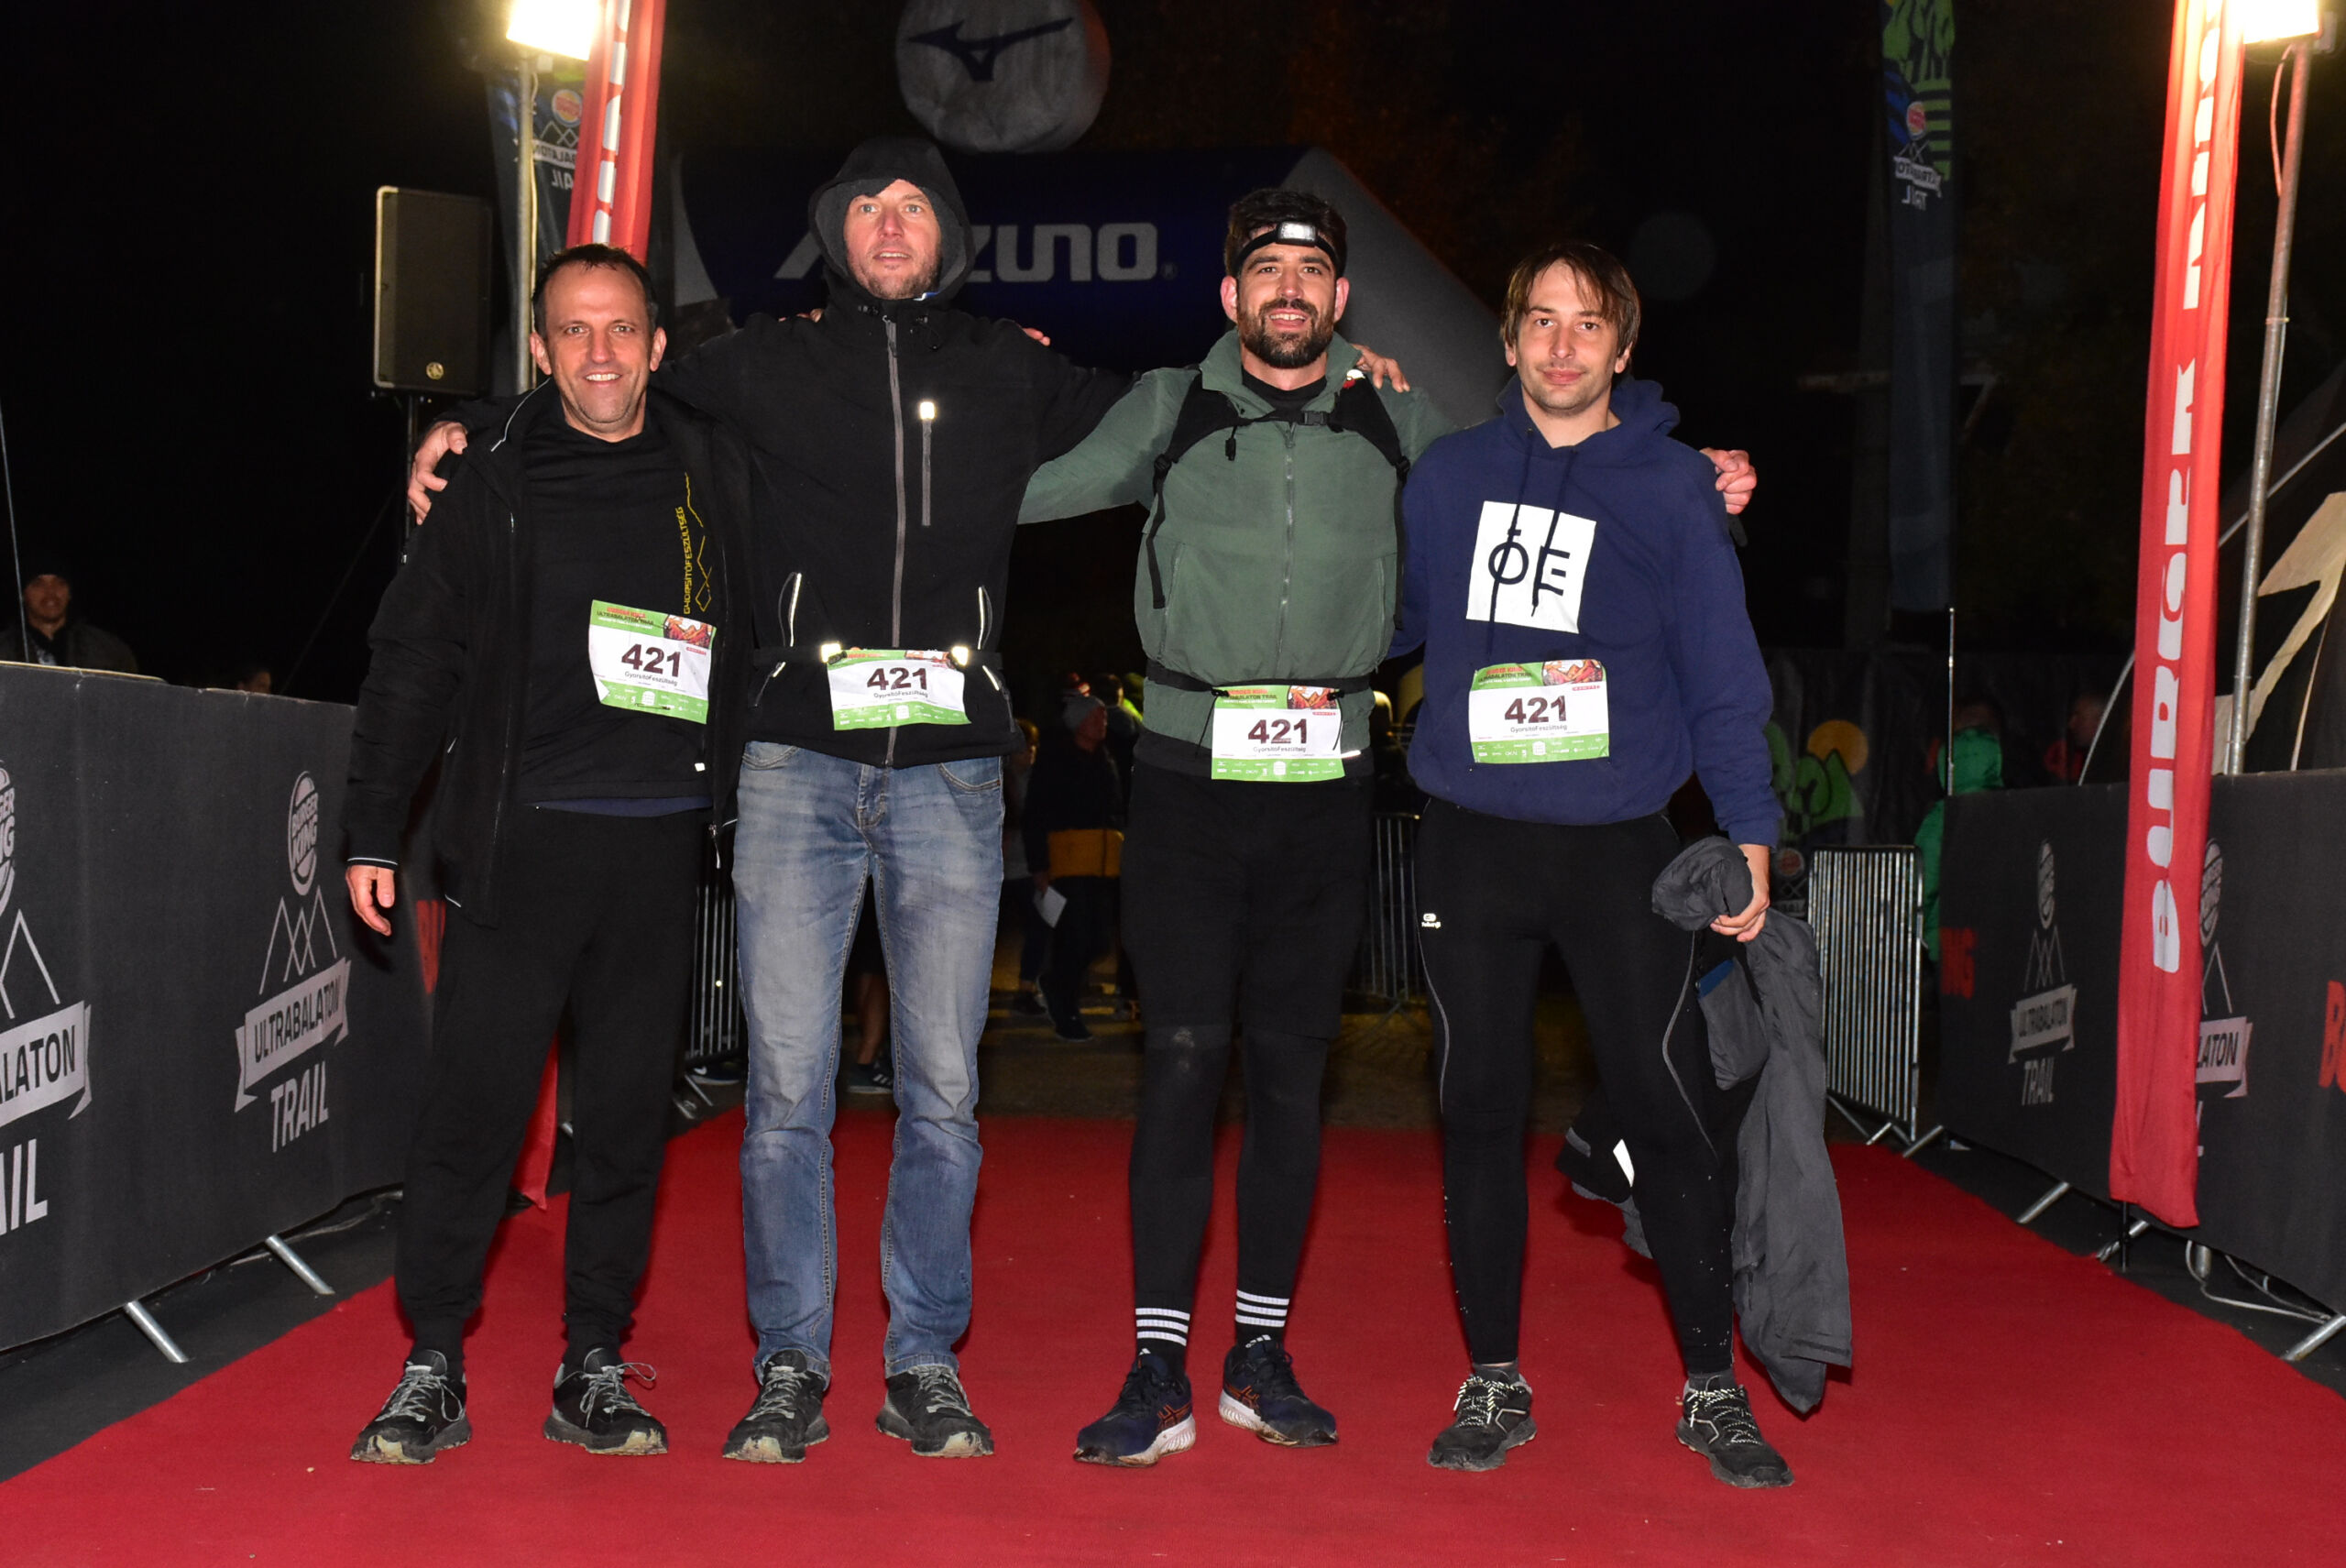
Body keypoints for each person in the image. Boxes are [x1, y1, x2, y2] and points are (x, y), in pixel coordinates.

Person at [408, 137, 1135, 1462]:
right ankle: (790, 1360)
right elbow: (606, 372)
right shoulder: (764, 360)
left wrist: (1343, 377)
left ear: (949, 231)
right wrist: (474, 423)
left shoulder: (1010, 368)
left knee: (944, 1090)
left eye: (914, 206)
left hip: (954, 773)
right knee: (789, 1087)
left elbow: (1168, 416)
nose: (891, 225)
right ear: (835, 231)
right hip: (794, 764)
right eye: (867, 208)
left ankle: (923, 1361)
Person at [1020, 192, 1763, 1466]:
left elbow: (1665, 615)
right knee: (1231, 1067)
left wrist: (1705, 481)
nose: (1563, 344)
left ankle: (1279, 1353)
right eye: (1267, 268)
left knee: (1348, 1076)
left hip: (1444, 811)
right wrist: (1001, 388)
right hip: (1275, 797)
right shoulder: (1245, 421)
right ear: (1231, 295)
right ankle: (1207, 1365)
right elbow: (1026, 494)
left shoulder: (1449, 433)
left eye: (1588, 323)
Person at [1392, 239, 1792, 1486]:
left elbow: (1722, 672)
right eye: (1541, 321)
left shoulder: (1671, 486)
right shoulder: (1447, 477)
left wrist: (1752, 833)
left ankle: (1712, 1386)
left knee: (1667, 1108)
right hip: (1472, 842)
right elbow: (1387, 619)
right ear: (1508, 339)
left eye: (1588, 324)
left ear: (1623, 346)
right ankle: (1494, 1377)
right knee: (1476, 1110)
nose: (1562, 344)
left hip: (1622, 846)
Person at [341, 243, 749, 1464]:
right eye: (574, 330)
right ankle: (432, 1362)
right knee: (472, 1116)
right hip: (518, 851)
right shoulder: (493, 478)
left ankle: (593, 1362)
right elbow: (414, 657)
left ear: (658, 345)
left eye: (621, 328)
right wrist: (372, 824)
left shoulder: (714, 466)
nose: (600, 353)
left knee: (624, 1125)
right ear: (539, 349)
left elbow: (811, 390)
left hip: (658, 851)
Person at [1024, 691, 1126, 1042]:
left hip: (1102, 865)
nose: (1103, 722)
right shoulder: (1056, 761)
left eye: (1104, 717)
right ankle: (1066, 1010)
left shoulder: (1105, 759)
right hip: (1067, 864)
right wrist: (1039, 866)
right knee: (1075, 939)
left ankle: (1056, 984)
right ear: (1079, 722)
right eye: (1096, 717)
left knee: (1099, 942)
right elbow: (1036, 814)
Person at [5, 565, 138, 673]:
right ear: (22, 595)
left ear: (70, 593)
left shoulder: (109, 649)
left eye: (60, 583)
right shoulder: (5, 650)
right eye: (38, 584)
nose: (51, 592)